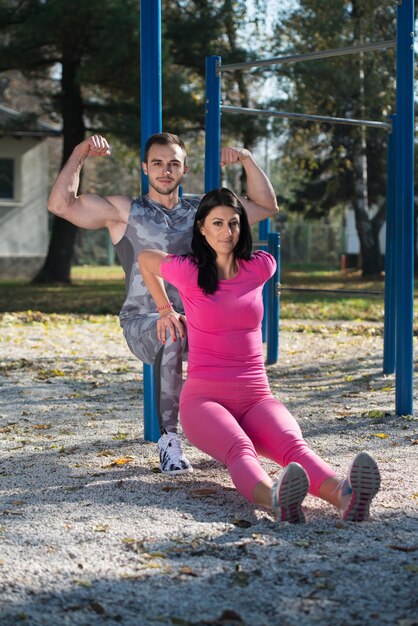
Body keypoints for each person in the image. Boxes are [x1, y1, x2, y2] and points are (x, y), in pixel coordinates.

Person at [137, 188, 381, 522]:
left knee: (294, 446)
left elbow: (269, 205)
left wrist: (248, 160)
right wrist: (165, 308)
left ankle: (346, 496)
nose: (227, 232)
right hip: (204, 400)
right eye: (218, 223)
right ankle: (277, 499)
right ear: (202, 229)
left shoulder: (261, 266)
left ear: (243, 228)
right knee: (240, 448)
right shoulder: (187, 271)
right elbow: (145, 260)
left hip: (256, 396)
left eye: (234, 223)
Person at [47, 133, 279, 475]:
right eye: (157, 163)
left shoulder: (202, 213)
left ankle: (237, 431)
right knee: (173, 332)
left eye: (173, 164)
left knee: (235, 337)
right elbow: (61, 205)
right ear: (145, 168)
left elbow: (266, 206)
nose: (165, 171)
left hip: (199, 320)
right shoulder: (125, 211)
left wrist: (246, 157)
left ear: (184, 169)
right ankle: (169, 440)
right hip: (145, 322)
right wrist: (80, 152)